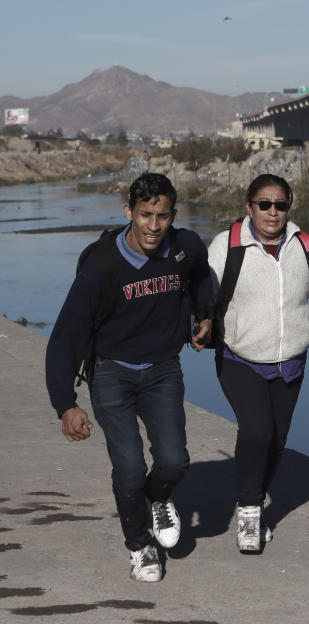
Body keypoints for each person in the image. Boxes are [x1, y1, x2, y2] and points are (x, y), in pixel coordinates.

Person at [45, 172, 213, 582]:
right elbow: (67, 334)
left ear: (173, 214)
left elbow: (202, 276)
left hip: (162, 370)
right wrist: (65, 403)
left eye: (162, 215)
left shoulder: (184, 247)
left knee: (173, 461)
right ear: (129, 212)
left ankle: (159, 498)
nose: (154, 226)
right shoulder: (101, 265)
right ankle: (140, 545)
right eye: (144, 215)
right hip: (111, 373)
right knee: (131, 468)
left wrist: (203, 316)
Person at [207, 174, 309, 553]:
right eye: (264, 204)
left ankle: (256, 498)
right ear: (249, 206)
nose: (273, 212)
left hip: (291, 362)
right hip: (238, 357)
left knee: (277, 440)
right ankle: (249, 511)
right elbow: (203, 290)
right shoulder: (228, 245)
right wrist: (194, 326)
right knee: (257, 430)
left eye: (280, 205)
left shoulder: (305, 246)